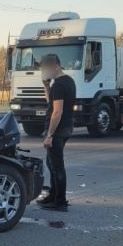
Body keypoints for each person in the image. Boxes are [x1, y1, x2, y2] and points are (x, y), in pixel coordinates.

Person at [37, 53, 75, 211]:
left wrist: (50, 135)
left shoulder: (59, 85)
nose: (45, 72)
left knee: (56, 165)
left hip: (58, 130)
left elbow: (57, 111)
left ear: (56, 66)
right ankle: (53, 195)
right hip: (66, 127)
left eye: (46, 68)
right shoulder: (67, 82)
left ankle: (60, 201)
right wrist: (46, 87)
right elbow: (50, 103)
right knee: (51, 163)